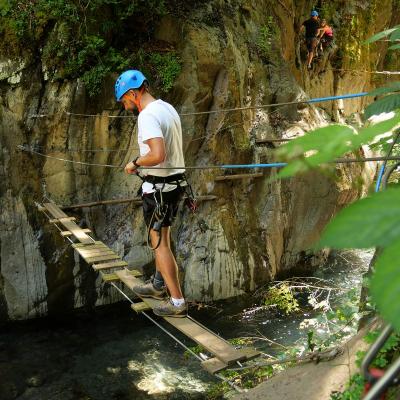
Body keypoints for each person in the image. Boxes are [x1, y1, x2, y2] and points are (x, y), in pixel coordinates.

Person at [115, 69, 188, 318]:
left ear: (133, 93)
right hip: (174, 186)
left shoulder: (147, 116)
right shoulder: (167, 108)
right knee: (163, 238)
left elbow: (157, 154)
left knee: (159, 244)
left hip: (158, 190)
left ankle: (177, 302)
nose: (126, 107)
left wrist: (135, 162)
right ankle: (158, 286)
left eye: (125, 101)